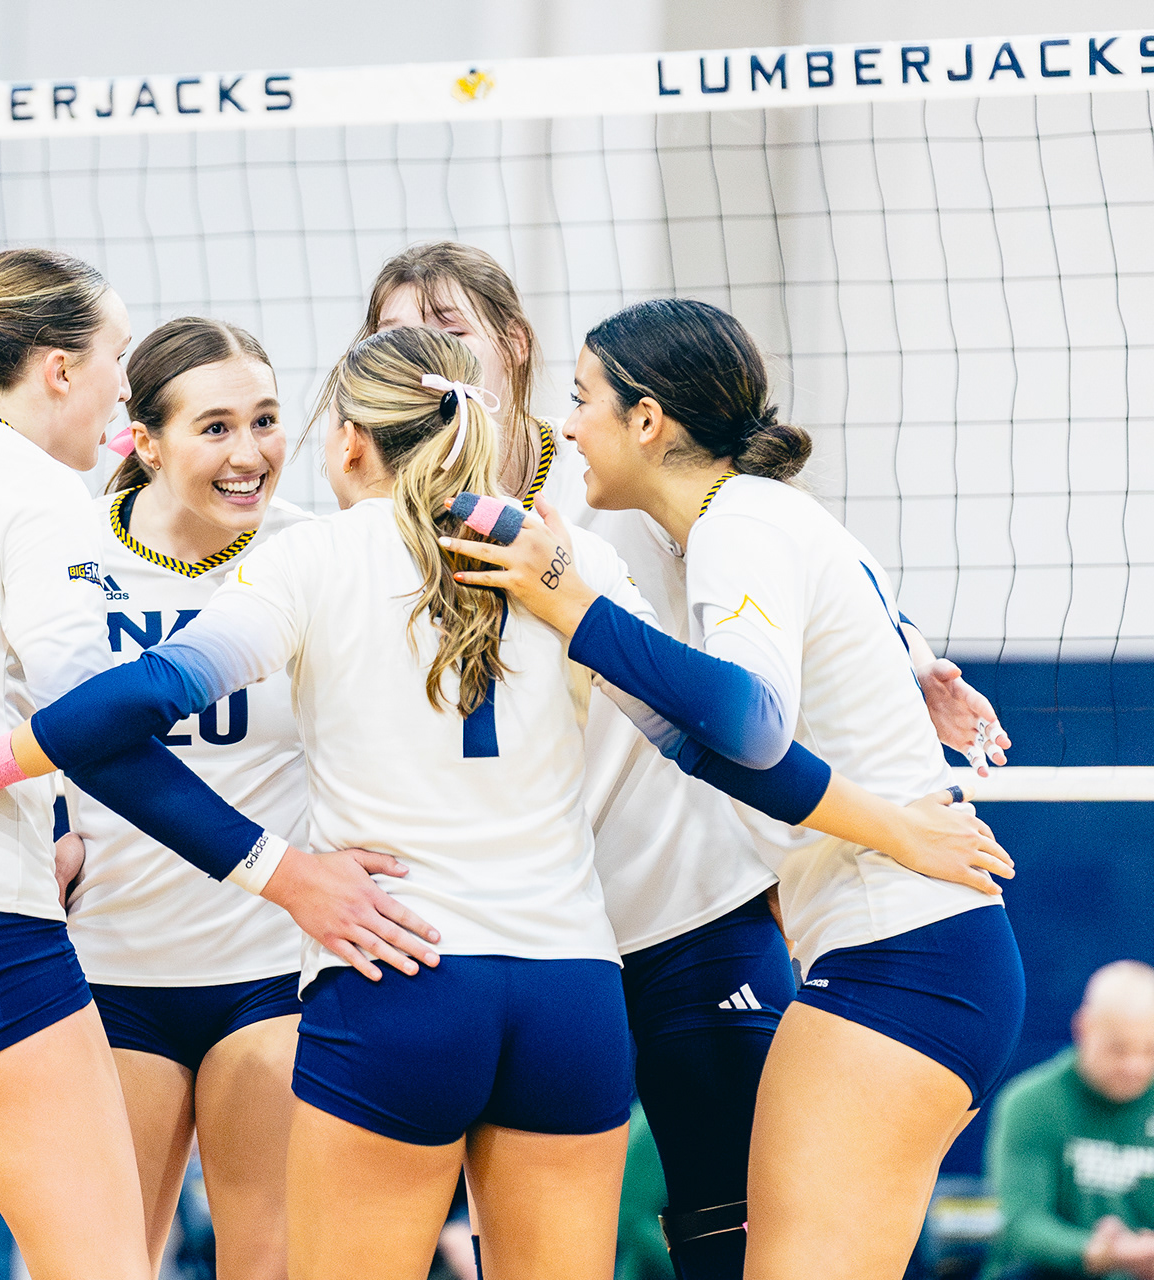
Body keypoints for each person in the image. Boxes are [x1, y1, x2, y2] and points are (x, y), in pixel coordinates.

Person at [0, 249, 433, 1280]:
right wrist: (281, 869)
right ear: (58, 368)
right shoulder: (42, 497)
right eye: (119, 358)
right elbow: (92, 722)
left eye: (263, 418)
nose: (122, 386)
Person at [365, 241, 1012, 1279]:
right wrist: (912, 671)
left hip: (764, 928)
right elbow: (718, 712)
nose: (424, 364)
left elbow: (744, 727)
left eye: (445, 333)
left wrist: (568, 596)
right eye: (393, 340)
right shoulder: (698, 516)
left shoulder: (673, 516)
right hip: (544, 937)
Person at [65, 316, 311, 1278]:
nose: (249, 454)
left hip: (271, 965)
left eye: (265, 420)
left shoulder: (311, 553)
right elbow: (0, 712)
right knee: (100, 1262)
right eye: (215, 428)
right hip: (109, 963)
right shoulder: (69, 554)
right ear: (143, 439)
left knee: (272, 1262)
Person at [982, 960, 1154, 1280]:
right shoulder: (1031, 1102)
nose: (1135, 1065)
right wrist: (1095, 1252)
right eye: (1118, 1049)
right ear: (1083, 1028)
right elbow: (1022, 1222)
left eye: (1150, 1049)